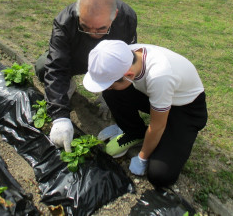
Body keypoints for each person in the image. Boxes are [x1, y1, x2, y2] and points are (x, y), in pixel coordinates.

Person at [82, 40, 208, 188]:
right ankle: (134, 132)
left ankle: (161, 138)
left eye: (110, 84)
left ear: (128, 75)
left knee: (160, 175)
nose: (108, 88)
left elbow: (157, 126)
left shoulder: (160, 75)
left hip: (185, 109)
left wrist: (142, 157)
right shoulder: (124, 55)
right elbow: (119, 86)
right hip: (158, 96)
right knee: (113, 93)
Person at [35, 0, 138, 152]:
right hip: (77, 58)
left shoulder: (127, 18)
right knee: (42, 66)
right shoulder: (65, 21)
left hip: (106, 62)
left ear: (115, 16)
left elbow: (126, 61)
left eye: (101, 29)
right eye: (85, 27)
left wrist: (111, 93)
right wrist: (59, 116)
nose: (93, 34)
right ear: (78, 13)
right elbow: (57, 65)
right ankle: (69, 85)